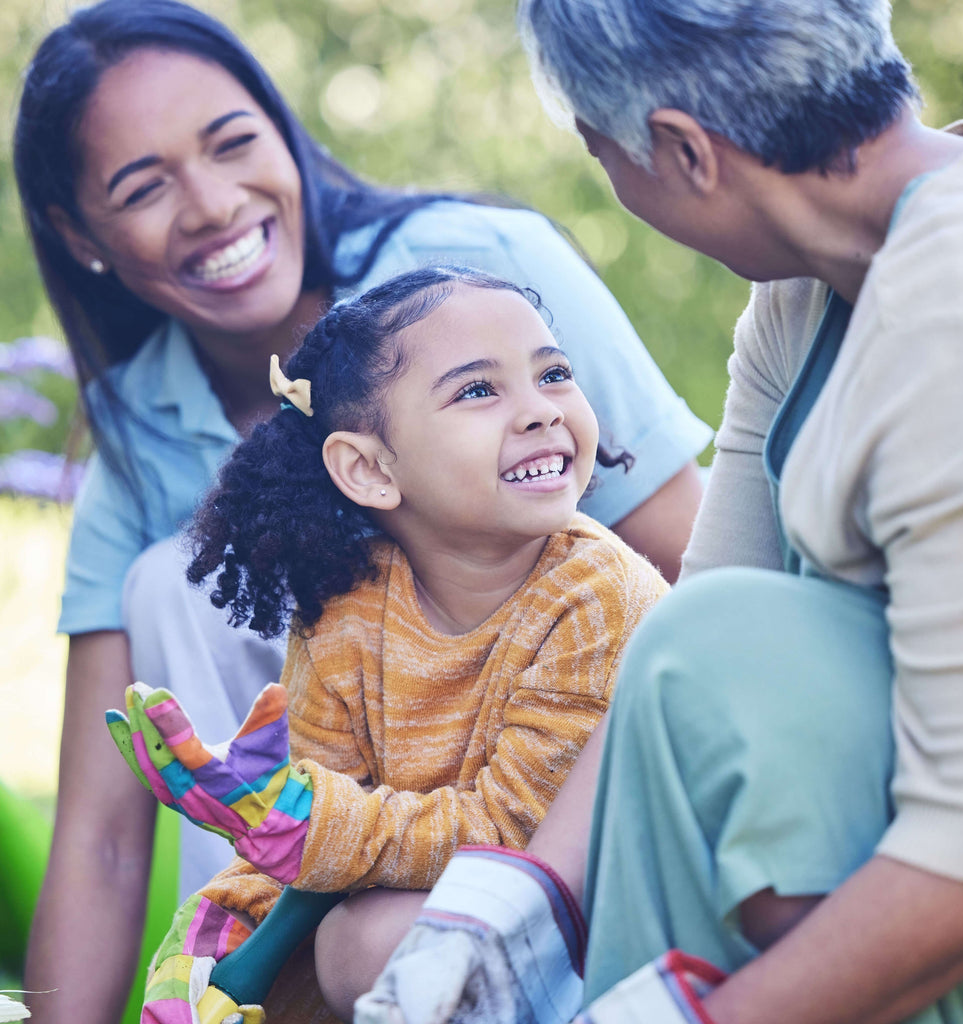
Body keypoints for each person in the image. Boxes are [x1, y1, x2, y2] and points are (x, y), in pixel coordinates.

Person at [13, 1, 712, 1021]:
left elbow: (706, 566)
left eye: (233, 142)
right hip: (374, 852)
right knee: (173, 580)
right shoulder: (153, 435)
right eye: (144, 186)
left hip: (566, 845)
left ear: (286, 135)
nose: (211, 204)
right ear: (82, 235)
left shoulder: (480, 277)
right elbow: (105, 834)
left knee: (370, 943)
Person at [357, 0, 963, 1021]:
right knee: (704, 643)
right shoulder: (812, 287)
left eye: (604, 156)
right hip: (935, 831)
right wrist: (509, 906)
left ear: (683, 151)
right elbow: (699, 623)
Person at [108, 264, 669, 1022]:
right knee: (319, 950)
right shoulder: (345, 614)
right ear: (369, 469)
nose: (541, 411)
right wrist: (212, 942)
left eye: (554, 374)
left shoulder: (600, 595)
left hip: (619, 918)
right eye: (479, 390)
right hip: (456, 918)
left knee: (366, 944)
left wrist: (302, 822)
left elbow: (518, 836)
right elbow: (309, 849)